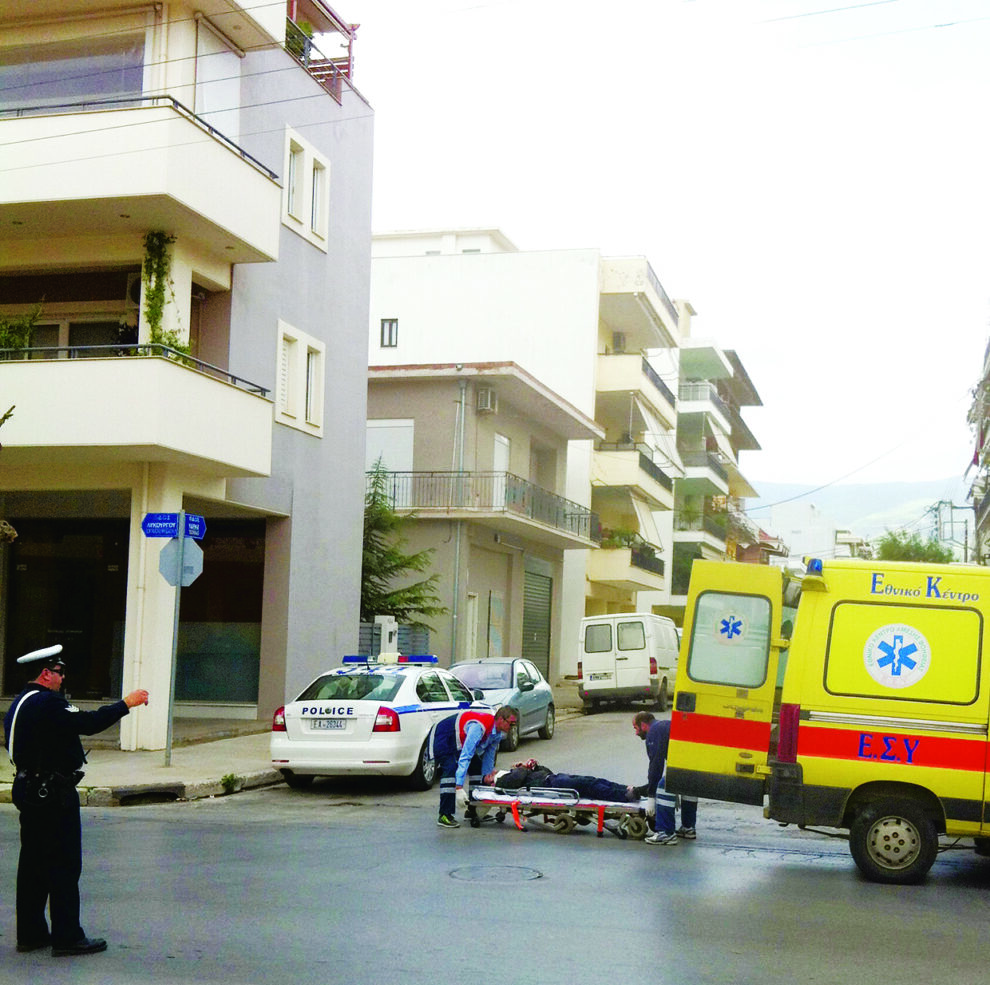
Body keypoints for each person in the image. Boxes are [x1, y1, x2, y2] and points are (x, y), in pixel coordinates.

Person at [3, 645, 150, 957]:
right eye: (59, 671)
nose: (63, 677)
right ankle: (67, 936)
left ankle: (30, 933)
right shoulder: (48, 702)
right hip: (52, 794)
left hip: (29, 789)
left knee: (33, 866)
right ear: (45, 674)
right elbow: (88, 722)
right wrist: (127, 704)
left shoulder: (20, 702)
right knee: (64, 865)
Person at [428, 705, 517, 828]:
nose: (512, 728)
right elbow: (466, 755)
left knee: (477, 769)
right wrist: (459, 787)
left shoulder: (496, 734)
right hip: (444, 737)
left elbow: (489, 757)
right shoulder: (478, 728)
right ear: (501, 719)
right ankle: (445, 814)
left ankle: (474, 810)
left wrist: (487, 776)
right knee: (450, 770)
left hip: (459, 741)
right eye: (511, 724)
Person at [632, 710, 697, 846]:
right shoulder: (664, 726)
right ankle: (688, 828)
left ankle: (666, 833)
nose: (636, 733)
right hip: (694, 764)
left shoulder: (654, 732)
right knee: (689, 787)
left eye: (636, 728)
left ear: (643, 725)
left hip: (686, 764)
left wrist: (651, 796)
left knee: (663, 787)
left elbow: (656, 765)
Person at [483, 758, 638, 802]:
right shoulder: (503, 782)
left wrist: (535, 766)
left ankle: (627, 788)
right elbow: (519, 777)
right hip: (551, 785)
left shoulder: (513, 774)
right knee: (588, 785)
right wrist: (523, 767)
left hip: (553, 778)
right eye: (488, 776)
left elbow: (546, 771)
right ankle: (623, 796)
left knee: (591, 780)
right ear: (490, 782)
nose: (491, 772)